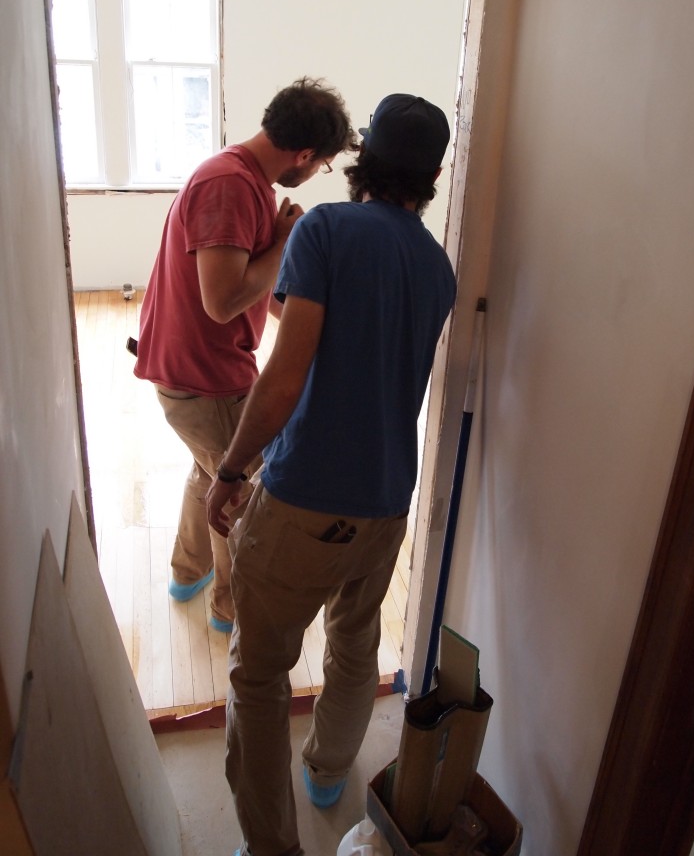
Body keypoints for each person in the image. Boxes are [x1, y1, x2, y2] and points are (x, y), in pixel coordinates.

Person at [206, 93, 457, 856]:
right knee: (355, 644)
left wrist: (229, 468)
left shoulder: (325, 229)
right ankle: (327, 771)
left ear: (363, 161)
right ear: (432, 176)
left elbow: (282, 380)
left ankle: (271, 846)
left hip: (306, 499)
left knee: (258, 677)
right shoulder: (438, 268)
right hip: (386, 503)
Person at [133, 77, 355, 633]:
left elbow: (253, 287)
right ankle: (233, 611)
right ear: (304, 155)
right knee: (244, 497)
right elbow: (223, 300)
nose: (314, 172)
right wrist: (285, 243)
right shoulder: (230, 187)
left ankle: (188, 573)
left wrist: (310, 320)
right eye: (321, 164)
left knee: (209, 469)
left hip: (195, 370)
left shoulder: (244, 180)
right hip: (204, 378)